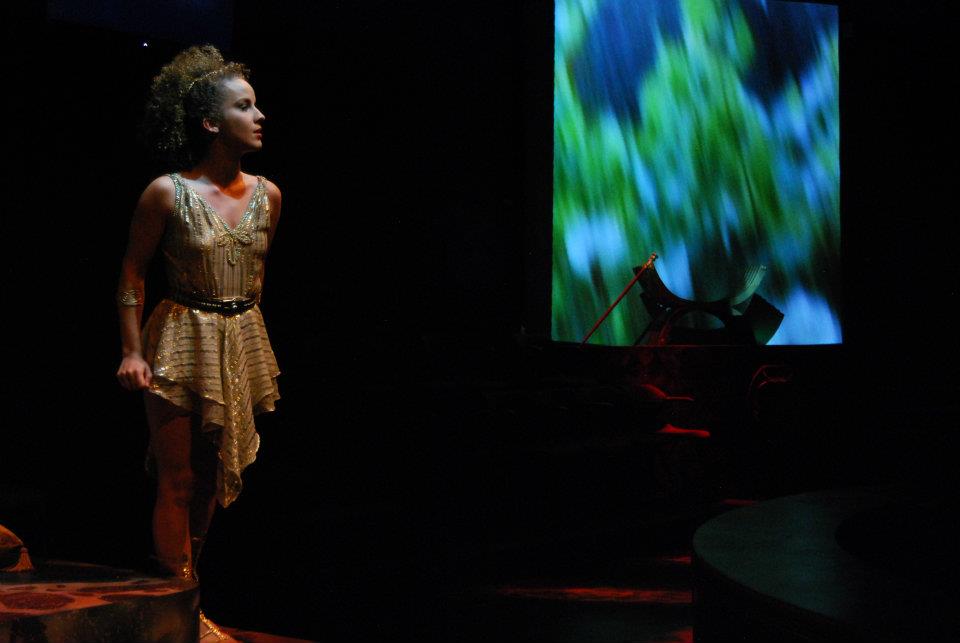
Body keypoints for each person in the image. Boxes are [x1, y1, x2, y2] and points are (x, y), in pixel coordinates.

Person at [115, 44, 281, 642]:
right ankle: (182, 613)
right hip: (182, 337)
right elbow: (132, 273)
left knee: (212, 483)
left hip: (239, 337)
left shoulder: (269, 194)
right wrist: (133, 352)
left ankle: (188, 603)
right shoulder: (167, 192)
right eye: (244, 106)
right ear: (211, 123)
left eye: (257, 105)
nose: (259, 116)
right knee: (178, 479)